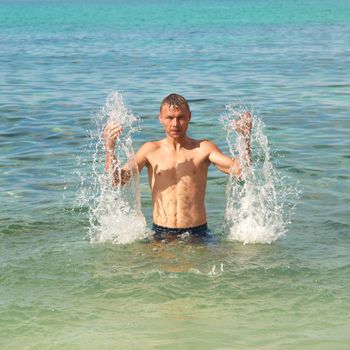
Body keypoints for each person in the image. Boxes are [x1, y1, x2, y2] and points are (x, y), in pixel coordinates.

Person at [104, 93, 252, 240]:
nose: (175, 124)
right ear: (160, 118)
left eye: (180, 117)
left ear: (189, 117)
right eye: (169, 118)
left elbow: (241, 171)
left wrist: (245, 138)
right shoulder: (150, 150)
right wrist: (110, 146)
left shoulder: (203, 149)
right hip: (160, 234)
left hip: (197, 234)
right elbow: (117, 181)